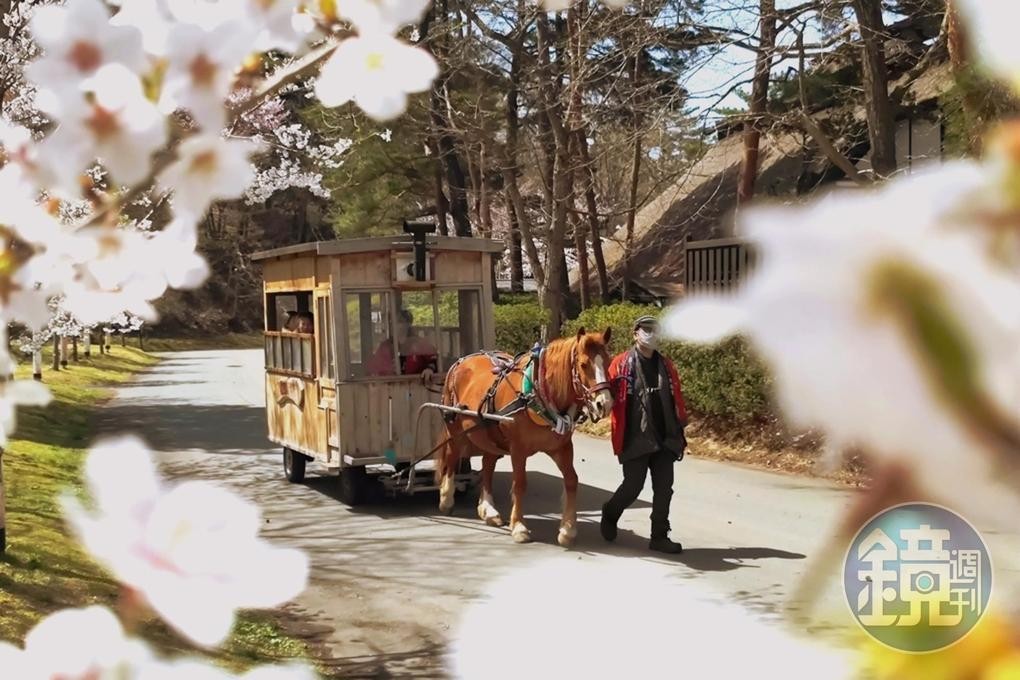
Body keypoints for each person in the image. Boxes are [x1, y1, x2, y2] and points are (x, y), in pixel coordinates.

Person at [601, 315, 688, 554]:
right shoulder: (620, 364)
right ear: (635, 333)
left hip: (664, 437)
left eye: (655, 330)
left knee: (664, 489)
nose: (651, 334)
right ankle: (610, 512)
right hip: (634, 437)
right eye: (646, 329)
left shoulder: (667, 366)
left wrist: (680, 430)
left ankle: (659, 536)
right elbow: (604, 395)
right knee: (632, 487)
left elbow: (676, 399)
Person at [366, 308, 437, 381]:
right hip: (390, 387)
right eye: (392, 322)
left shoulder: (419, 344)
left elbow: (435, 359)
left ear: (408, 324)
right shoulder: (385, 347)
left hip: (417, 386)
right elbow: (373, 370)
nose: (394, 325)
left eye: (399, 321)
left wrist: (429, 369)